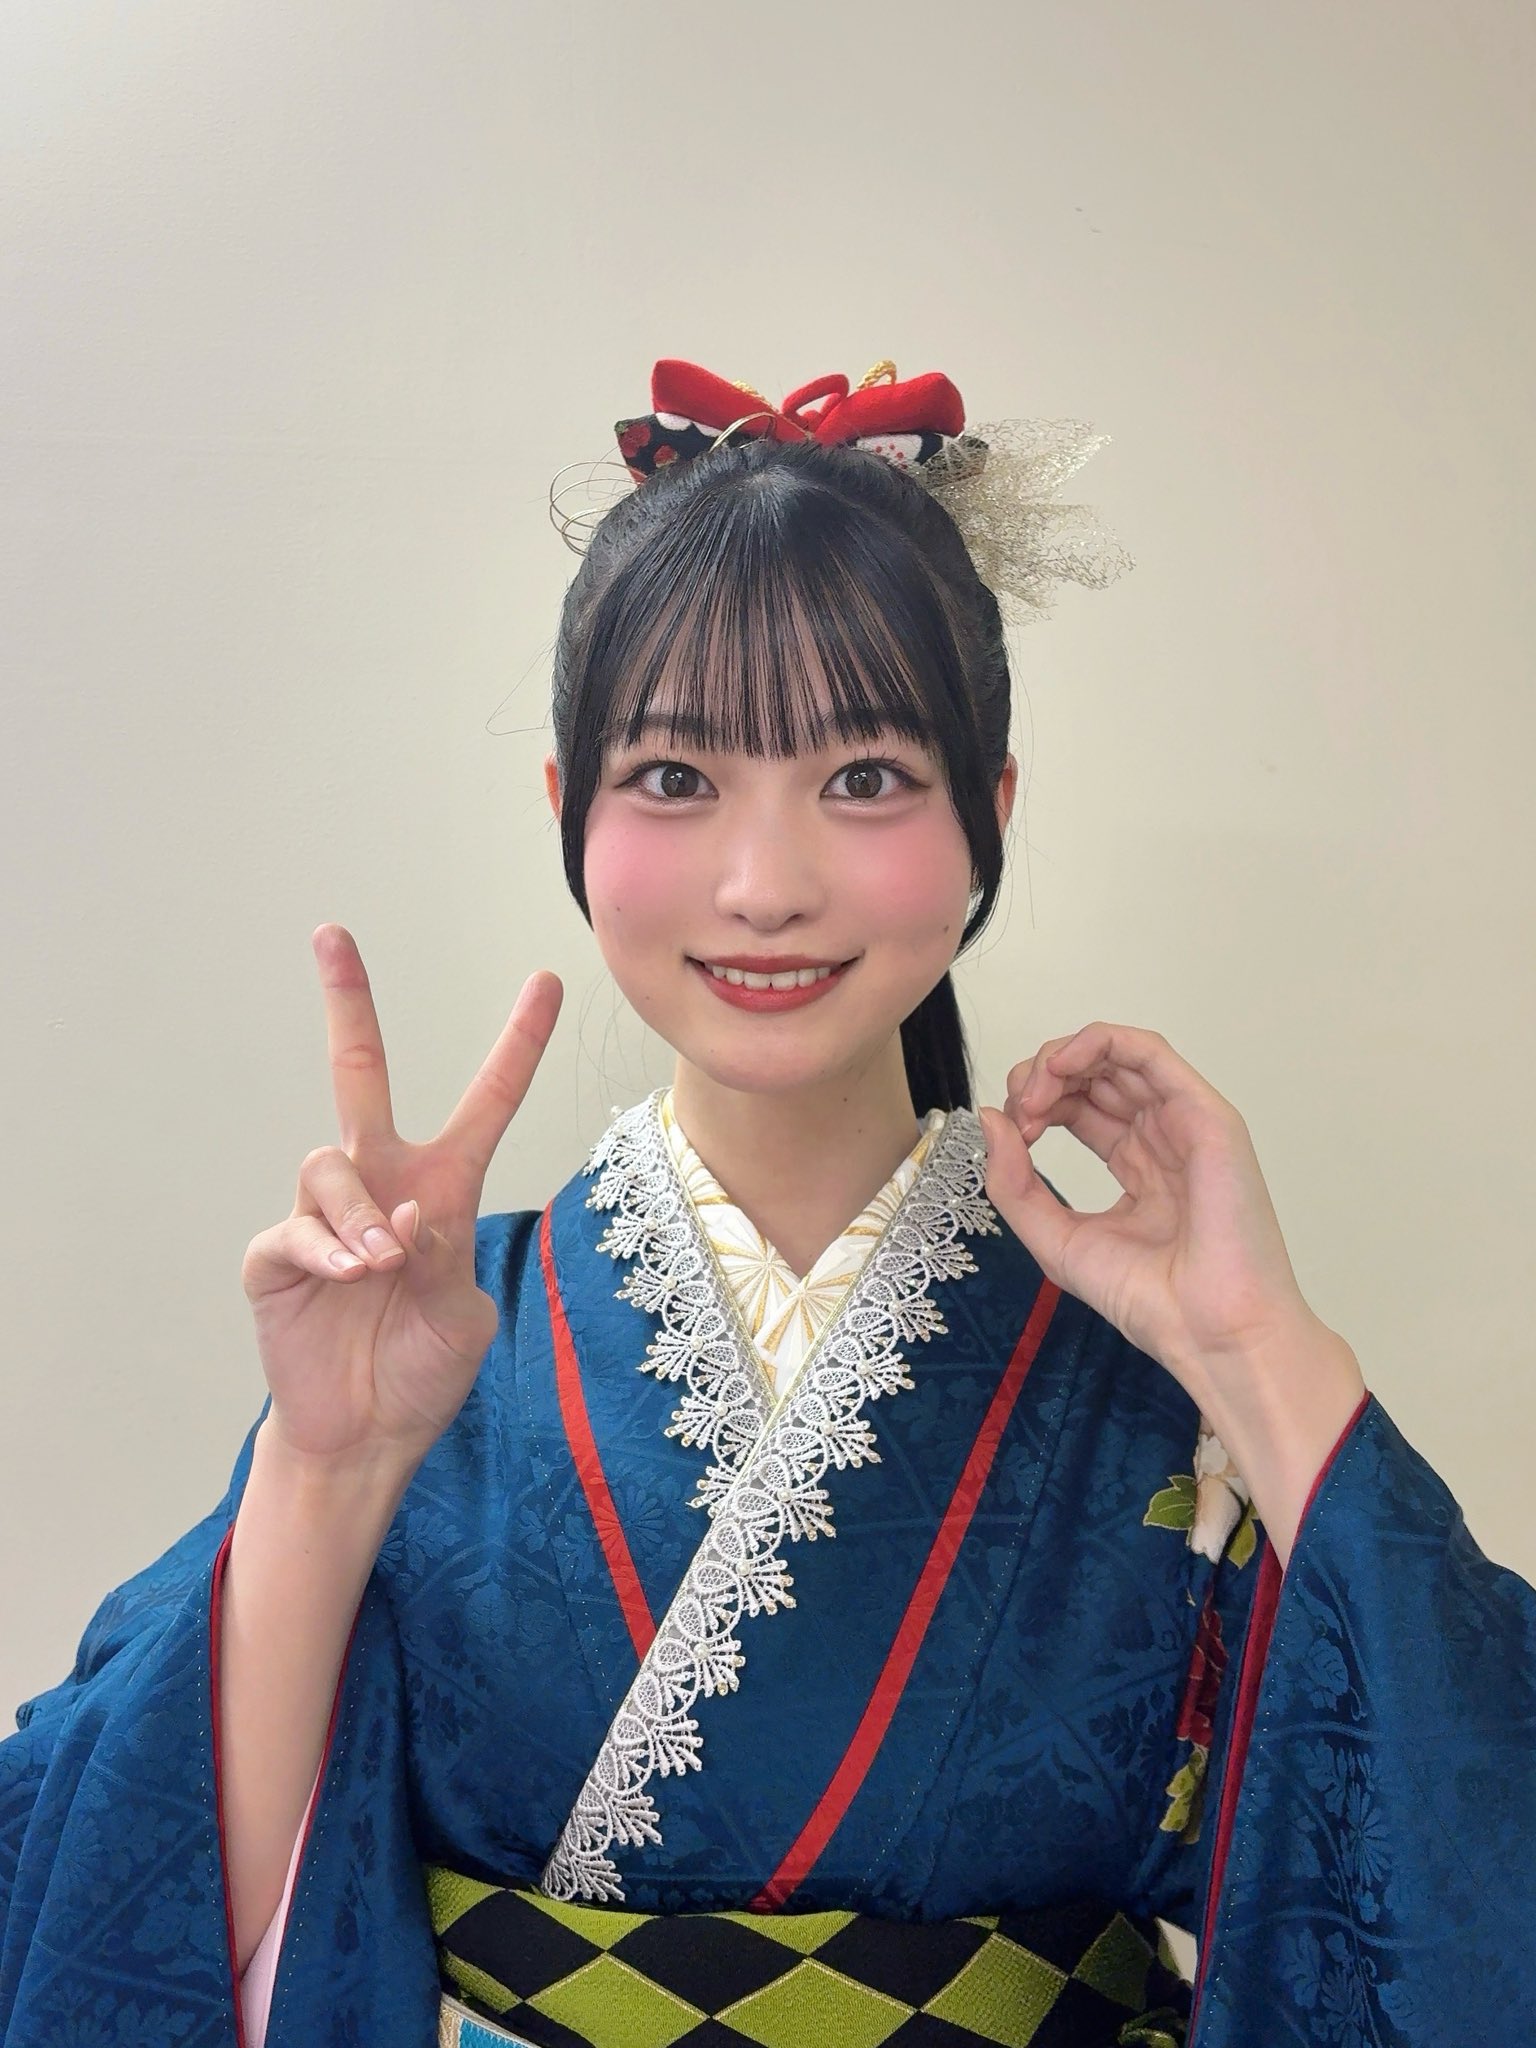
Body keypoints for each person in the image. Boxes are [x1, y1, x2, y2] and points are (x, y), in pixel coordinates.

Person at [2, 359, 1533, 2048]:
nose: (764, 884)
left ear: (991, 812)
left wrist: (1263, 1354)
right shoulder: (433, 1350)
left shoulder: (1148, 1378)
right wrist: (326, 1469)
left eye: (864, 777)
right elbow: (130, 1898)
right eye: (676, 778)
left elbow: (1449, 1863)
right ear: (569, 810)